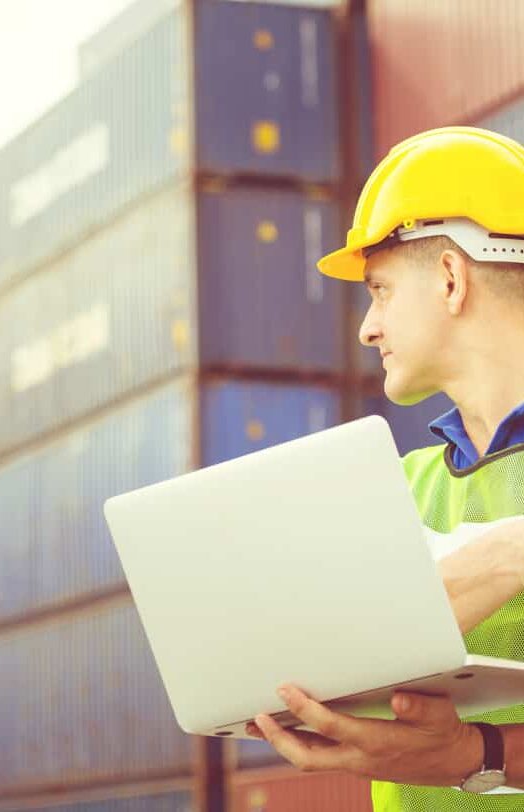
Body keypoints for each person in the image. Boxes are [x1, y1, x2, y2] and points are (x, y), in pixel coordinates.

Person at [245, 127, 524, 810]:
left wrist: (477, 755)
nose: (367, 329)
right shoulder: (394, 488)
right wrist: (503, 556)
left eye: (380, 290)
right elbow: (283, 672)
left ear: (452, 278)